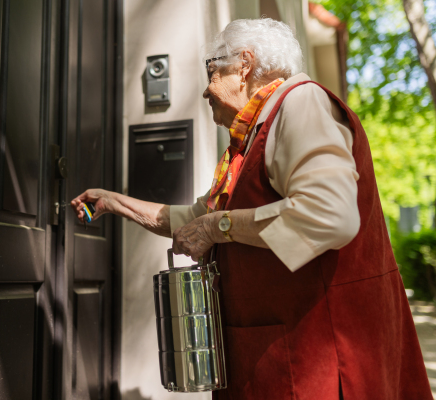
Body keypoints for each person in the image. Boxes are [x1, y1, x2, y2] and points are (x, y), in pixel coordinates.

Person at [71, 18, 432, 400]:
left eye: (211, 71)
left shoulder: (300, 102)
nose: (206, 92)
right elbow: (195, 220)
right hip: (276, 359)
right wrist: (114, 202)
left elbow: (330, 215)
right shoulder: (253, 135)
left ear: (244, 65)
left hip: (323, 364)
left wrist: (218, 226)